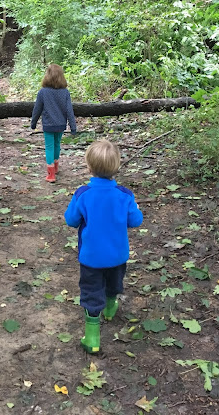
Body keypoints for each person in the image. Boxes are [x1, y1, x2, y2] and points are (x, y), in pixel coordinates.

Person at [64, 140, 143, 353]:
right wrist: (134, 207)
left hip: (91, 257)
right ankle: (110, 307)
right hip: (117, 255)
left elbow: (71, 220)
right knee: (114, 282)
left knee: (91, 291)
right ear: (117, 167)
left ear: (89, 167)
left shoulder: (83, 194)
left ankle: (92, 337)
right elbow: (136, 220)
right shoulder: (125, 195)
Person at [30, 64, 76, 183]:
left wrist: (33, 123)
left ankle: (51, 174)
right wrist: (73, 127)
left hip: (48, 125)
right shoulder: (65, 92)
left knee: (49, 147)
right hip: (60, 125)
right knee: (57, 144)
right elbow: (69, 111)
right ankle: (55, 167)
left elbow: (37, 109)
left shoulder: (43, 92)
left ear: (47, 76)